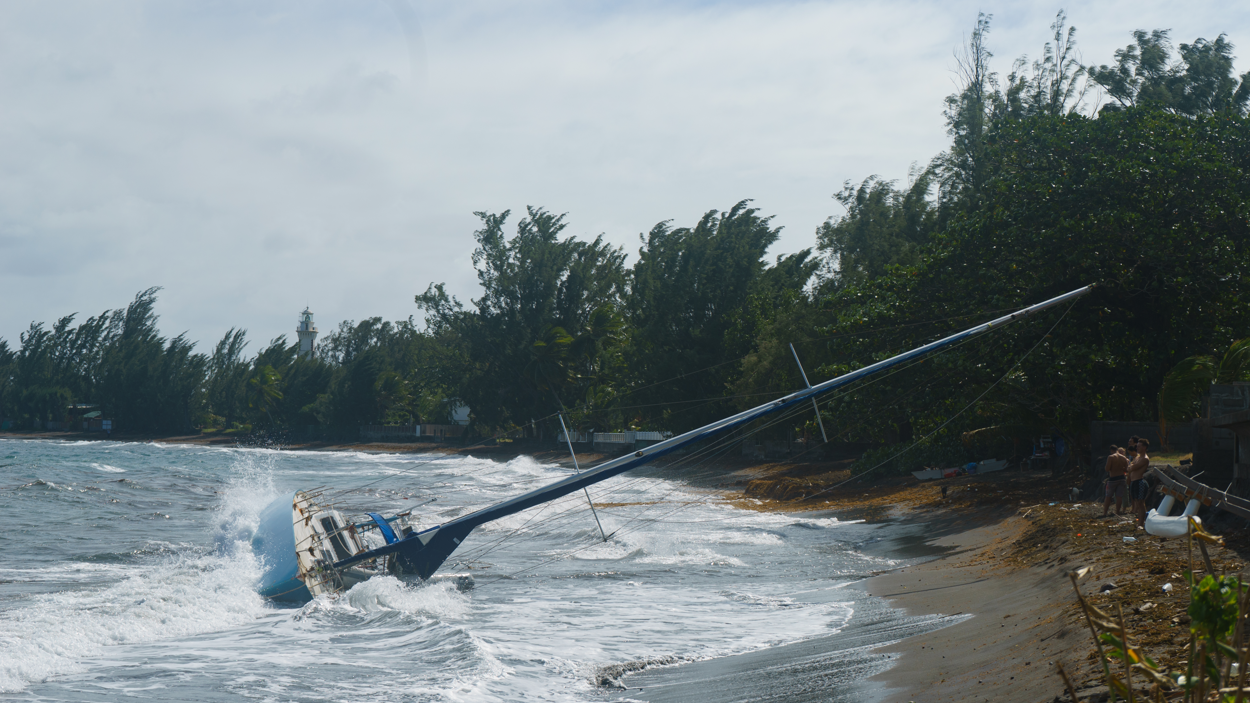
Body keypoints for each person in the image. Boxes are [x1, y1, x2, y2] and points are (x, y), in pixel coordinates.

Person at [1127, 438, 1151, 526]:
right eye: (1137, 446)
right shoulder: (1137, 457)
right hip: (1133, 481)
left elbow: (1132, 468)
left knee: (1141, 503)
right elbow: (1129, 467)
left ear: (1144, 447)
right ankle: (1140, 521)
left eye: (1139, 447)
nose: (1137, 448)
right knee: (1137, 502)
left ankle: (1141, 523)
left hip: (1139, 482)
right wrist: (1130, 467)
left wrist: (1131, 467)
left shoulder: (1145, 459)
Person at [1102, 444, 1128, 518]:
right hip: (1122, 478)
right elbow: (1126, 469)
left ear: (1111, 450)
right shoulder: (1124, 458)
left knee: (1108, 496)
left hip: (1113, 478)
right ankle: (1117, 512)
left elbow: (1107, 469)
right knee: (1119, 496)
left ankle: (1105, 513)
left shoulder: (1111, 457)